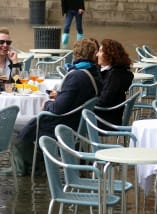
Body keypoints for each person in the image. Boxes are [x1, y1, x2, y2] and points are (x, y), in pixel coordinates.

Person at [13, 38, 102, 176]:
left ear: (76, 53)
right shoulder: (93, 73)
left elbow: (58, 109)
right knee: (26, 124)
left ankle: (29, 167)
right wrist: (61, 94)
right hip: (75, 122)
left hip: (60, 123)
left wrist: (47, 104)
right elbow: (75, 97)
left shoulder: (75, 75)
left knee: (14, 123)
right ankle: (36, 163)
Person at [94, 39, 134, 128]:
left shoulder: (114, 75)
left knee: (71, 118)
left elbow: (104, 101)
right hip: (112, 116)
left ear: (109, 54)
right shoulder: (118, 72)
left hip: (104, 120)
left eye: (100, 51)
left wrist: (84, 102)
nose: (97, 55)